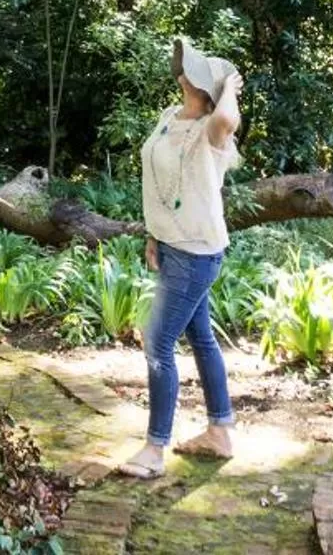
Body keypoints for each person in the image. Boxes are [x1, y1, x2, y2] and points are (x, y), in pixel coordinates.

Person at [117, 36, 243, 478]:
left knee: (157, 344)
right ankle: (220, 431)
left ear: (205, 87)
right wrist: (154, 235)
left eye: (193, 69)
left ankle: (154, 450)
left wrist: (229, 84)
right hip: (172, 246)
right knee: (201, 338)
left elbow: (227, 116)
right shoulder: (170, 117)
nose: (181, 69)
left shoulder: (213, 132)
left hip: (197, 253)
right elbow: (158, 181)